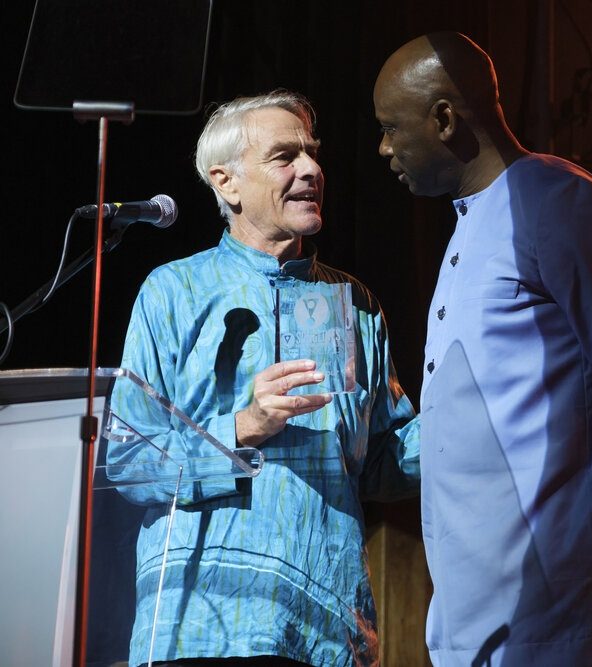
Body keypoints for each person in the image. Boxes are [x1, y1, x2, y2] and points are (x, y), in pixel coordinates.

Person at [373, 32, 592, 667]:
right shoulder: (470, 225)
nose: (383, 147)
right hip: (473, 624)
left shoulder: (558, 202)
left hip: (561, 617)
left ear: (443, 118)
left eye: (390, 127)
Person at [109, 90, 419, 667]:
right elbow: (129, 462)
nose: (311, 170)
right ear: (226, 183)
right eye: (285, 157)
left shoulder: (355, 303)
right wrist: (243, 426)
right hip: (200, 630)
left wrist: (472, 425)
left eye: (312, 155)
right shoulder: (173, 291)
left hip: (328, 631)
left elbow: (380, 461)